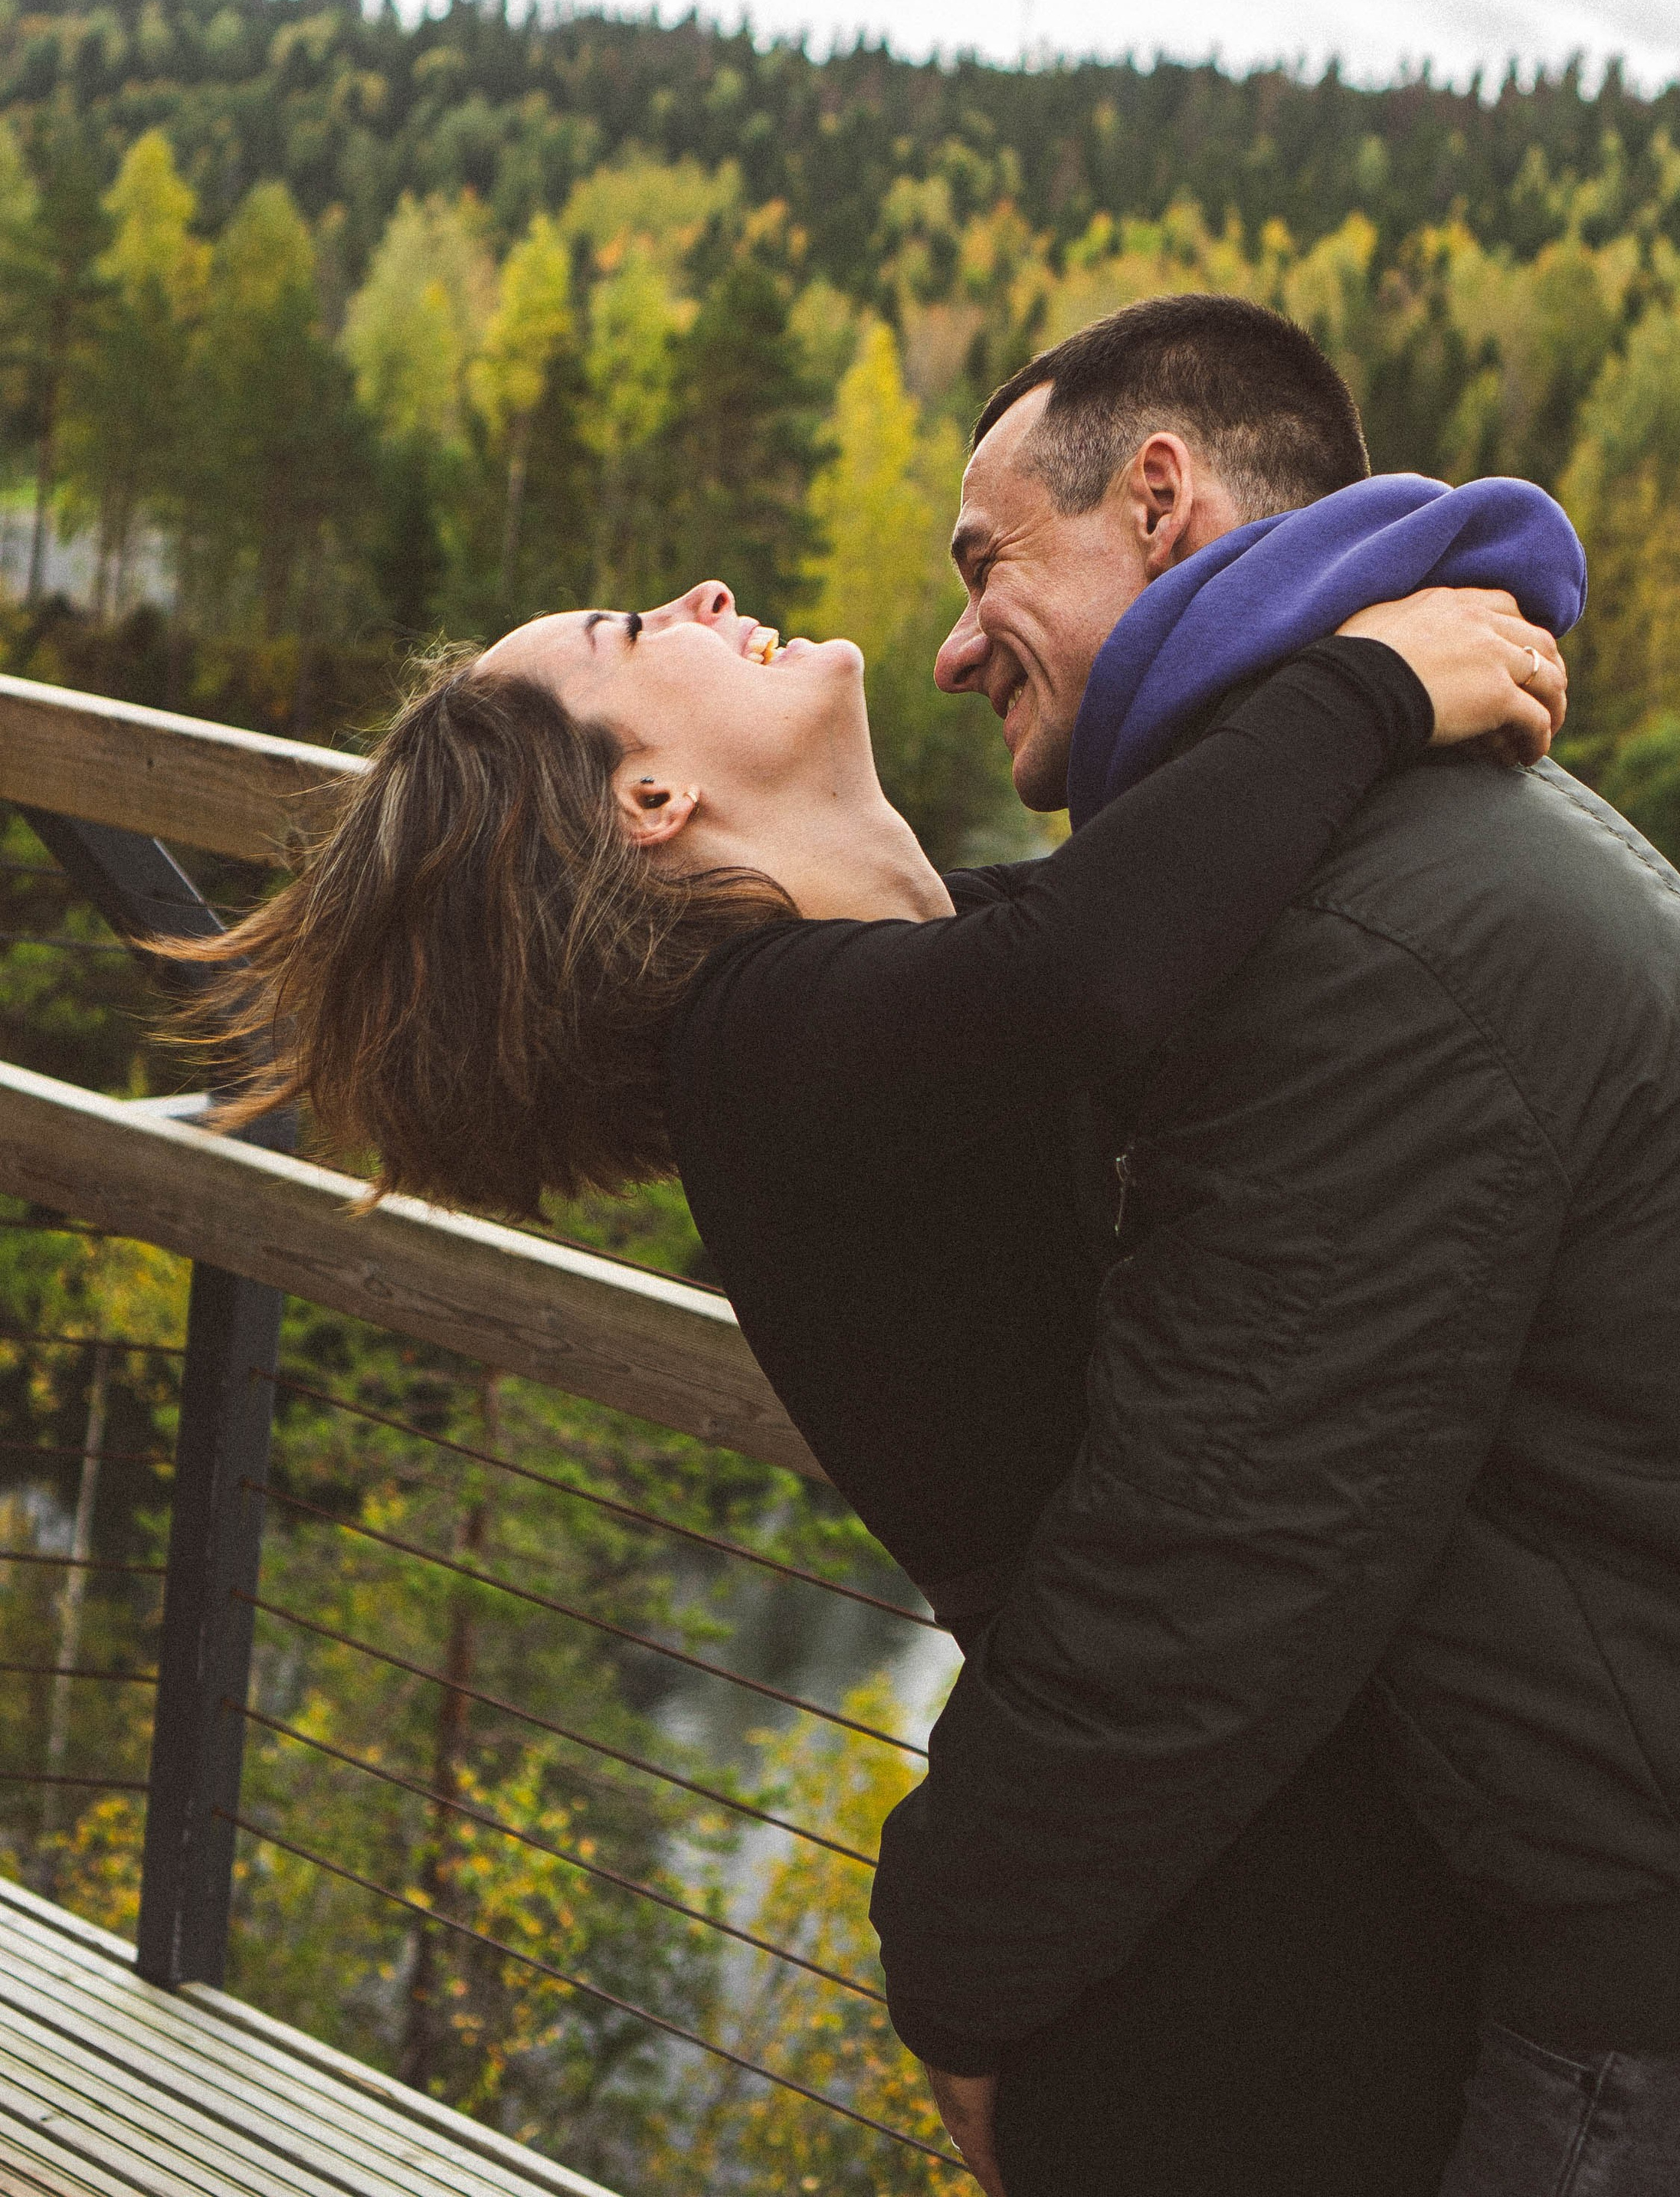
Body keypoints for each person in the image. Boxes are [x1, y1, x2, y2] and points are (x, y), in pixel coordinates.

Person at [169, 548, 1568, 2192]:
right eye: (632, 632)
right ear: (653, 798)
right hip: (1205, 1962)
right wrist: (1373, 679)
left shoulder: (879, 1006)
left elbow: (1094, 933)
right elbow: (1087, 965)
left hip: (1203, 1862)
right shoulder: (767, 1052)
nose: (697, 592)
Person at [866, 292, 1680, 2197]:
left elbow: (1213, 1546)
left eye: (985, 565)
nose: (954, 648)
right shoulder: (1408, 832)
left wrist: (958, 1964)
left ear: (1155, 498)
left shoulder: (1364, 940)